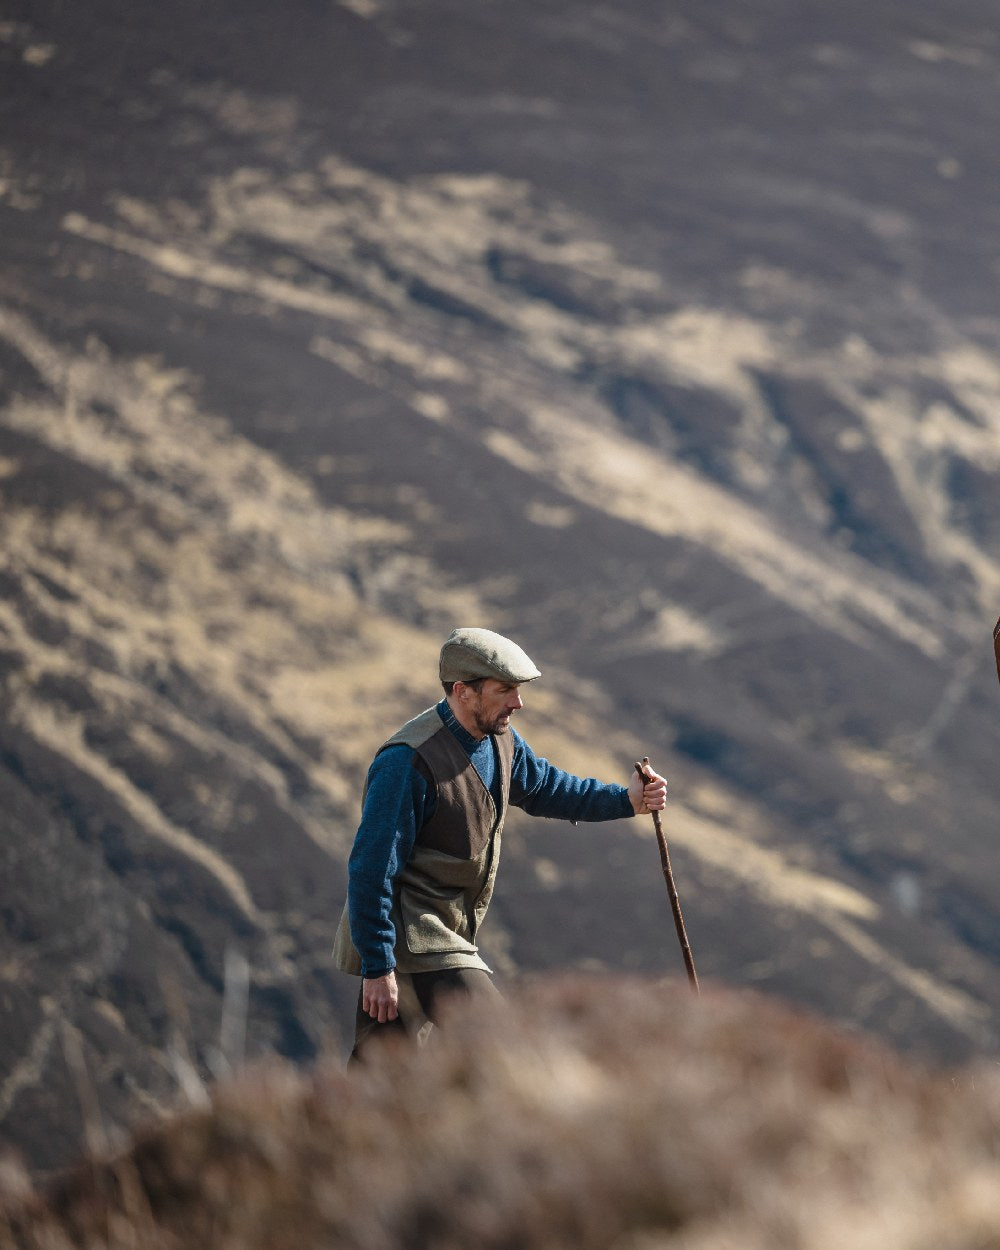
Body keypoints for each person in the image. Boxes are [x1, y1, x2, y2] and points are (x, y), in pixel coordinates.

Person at [333, 626, 668, 1059]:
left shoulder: (499, 740)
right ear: (462, 691)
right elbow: (370, 868)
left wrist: (626, 800)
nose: (518, 702)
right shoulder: (406, 762)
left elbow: (548, 787)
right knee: (504, 1042)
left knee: (378, 1074)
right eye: (505, 689)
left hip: (440, 934)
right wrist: (378, 966)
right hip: (413, 938)